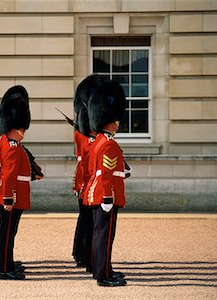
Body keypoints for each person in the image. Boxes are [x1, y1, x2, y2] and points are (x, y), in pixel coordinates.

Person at [0, 85, 43, 280]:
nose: (24, 131)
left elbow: (17, 171)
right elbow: (9, 174)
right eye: (22, 128)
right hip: (11, 195)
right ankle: (5, 268)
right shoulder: (12, 146)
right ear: (15, 128)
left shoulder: (10, 143)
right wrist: (8, 198)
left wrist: (32, 175)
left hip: (12, 192)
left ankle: (4, 261)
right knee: (7, 232)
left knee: (8, 231)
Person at [84, 80, 128, 287]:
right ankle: (103, 276)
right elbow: (106, 173)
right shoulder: (108, 143)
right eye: (116, 120)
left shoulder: (99, 141)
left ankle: (104, 269)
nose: (118, 124)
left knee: (101, 235)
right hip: (105, 195)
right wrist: (108, 197)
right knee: (105, 236)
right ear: (109, 120)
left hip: (98, 193)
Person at [72, 75, 100, 268]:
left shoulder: (84, 134)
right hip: (87, 183)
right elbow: (86, 163)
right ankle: (86, 256)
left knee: (85, 221)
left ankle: (80, 253)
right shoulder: (87, 137)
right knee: (90, 222)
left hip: (85, 182)